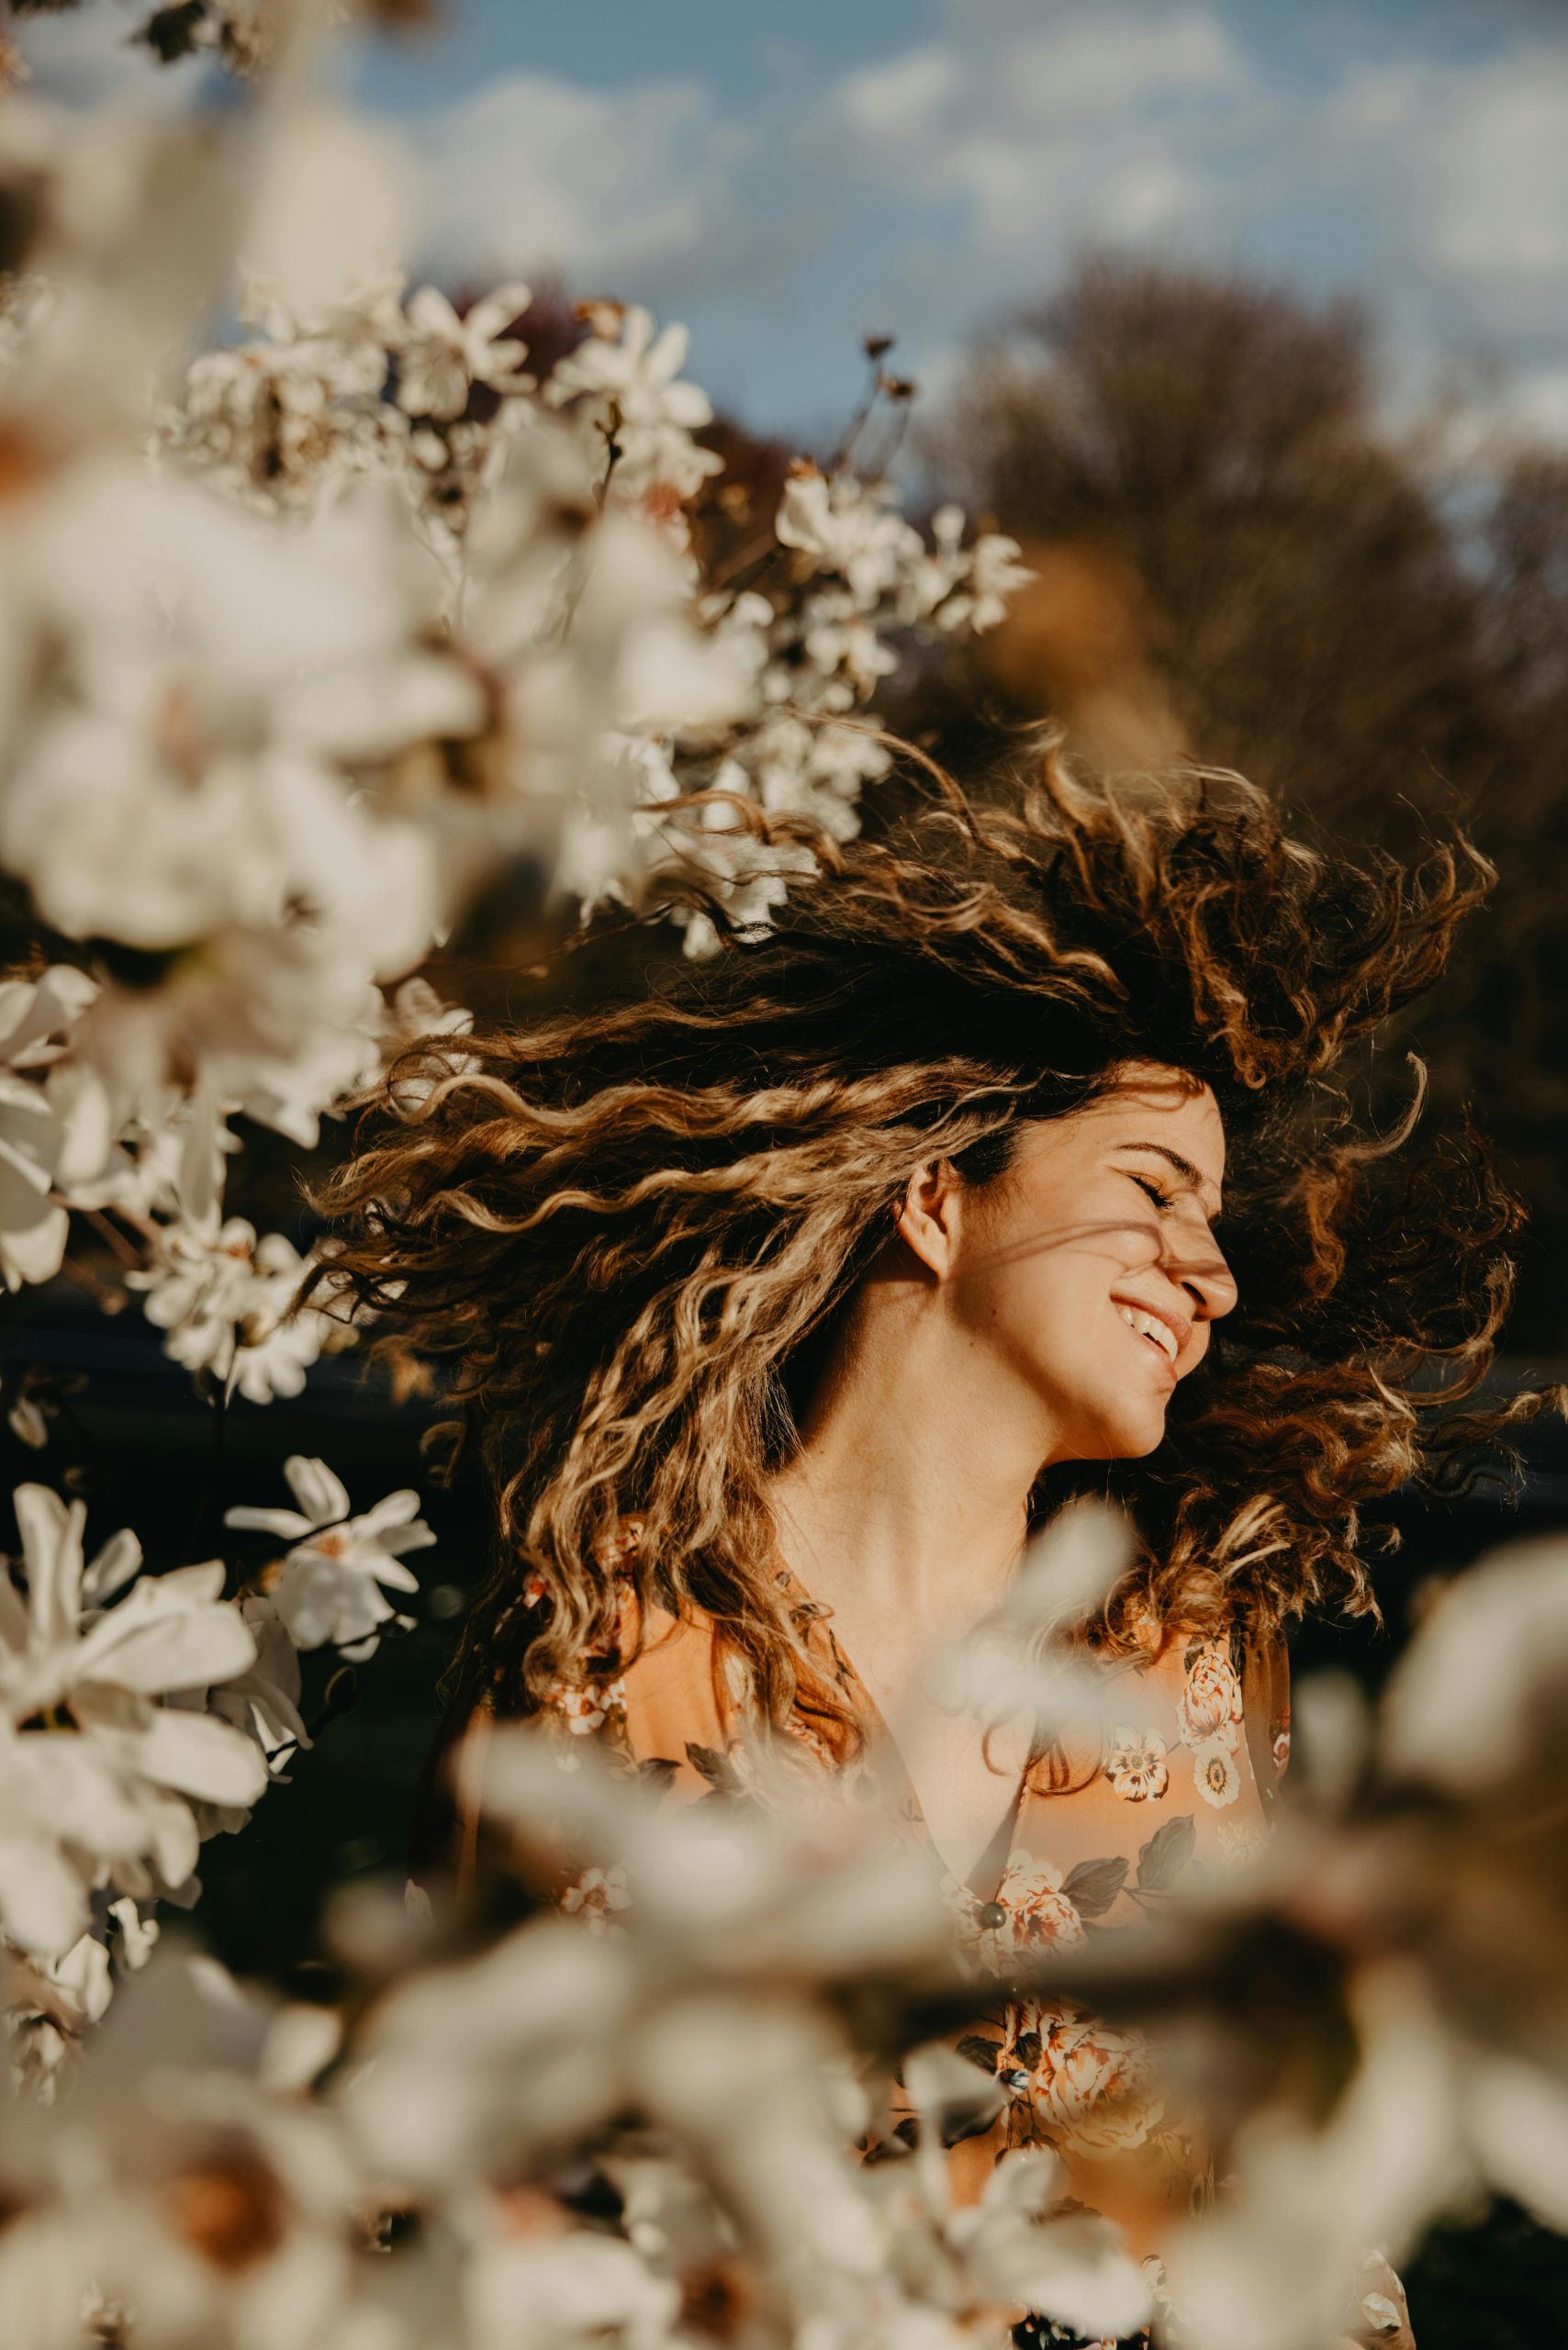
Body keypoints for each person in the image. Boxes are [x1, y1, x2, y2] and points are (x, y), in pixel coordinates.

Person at [315, 756, 1535, 2347]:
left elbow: (1296, 2221)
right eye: (1157, 1192)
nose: (1210, 1275)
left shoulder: (1189, 1669)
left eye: (1217, 1222)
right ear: (934, 1201)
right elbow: (447, 2188)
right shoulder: (613, 1645)